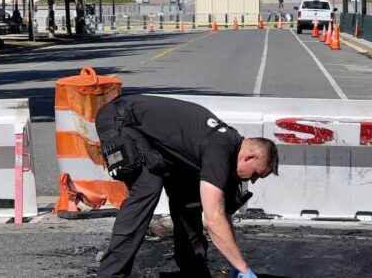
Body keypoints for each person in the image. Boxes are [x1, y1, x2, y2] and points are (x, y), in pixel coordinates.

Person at [95, 94, 279, 278]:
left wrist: (236, 263)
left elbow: (222, 214)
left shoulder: (228, 145)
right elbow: (214, 219)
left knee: (188, 197)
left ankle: (193, 270)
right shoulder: (220, 149)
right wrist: (245, 269)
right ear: (250, 157)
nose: (253, 180)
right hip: (119, 120)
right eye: (256, 174)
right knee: (148, 187)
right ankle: (111, 273)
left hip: (151, 138)